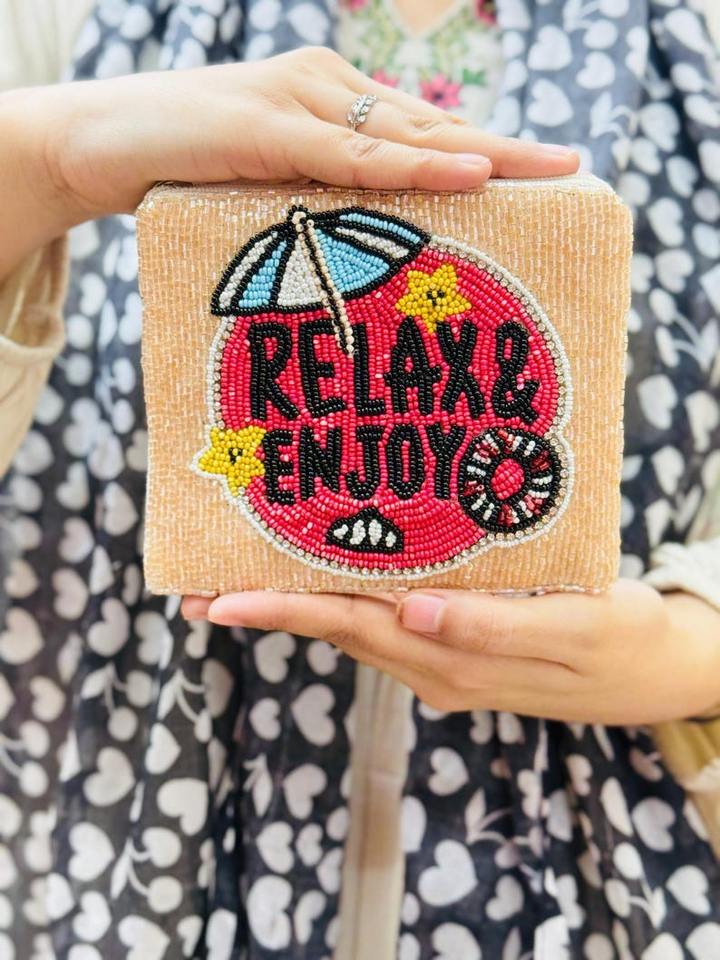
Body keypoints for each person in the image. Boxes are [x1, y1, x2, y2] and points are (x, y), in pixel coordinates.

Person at [0, 2, 718, 959]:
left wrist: (692, 646)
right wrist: (48, 156)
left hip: (609, 849)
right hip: (118, 818)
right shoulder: (58, 22)